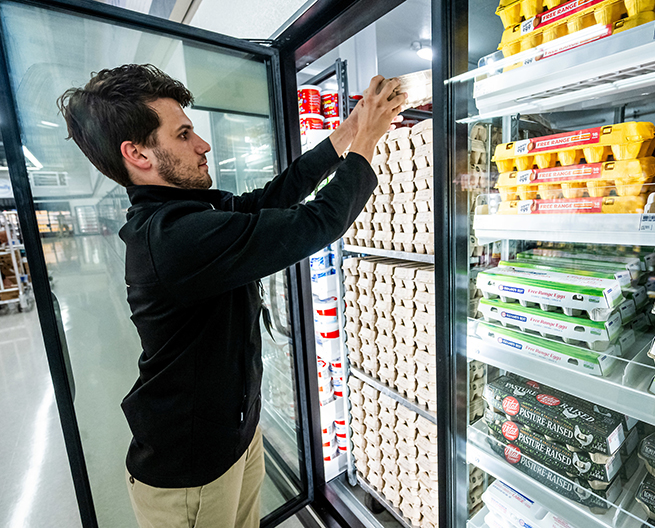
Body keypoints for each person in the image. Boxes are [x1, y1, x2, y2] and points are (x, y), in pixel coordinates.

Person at [57, 64, 406, 528]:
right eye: (183, 135)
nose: (202, 145)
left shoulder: (188, 212)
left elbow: (274, 197)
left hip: (235, 434)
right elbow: (315, 223)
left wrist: (349, 131)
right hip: (190, 472)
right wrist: (367, 144)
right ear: (138, 153)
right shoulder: (172, 238)